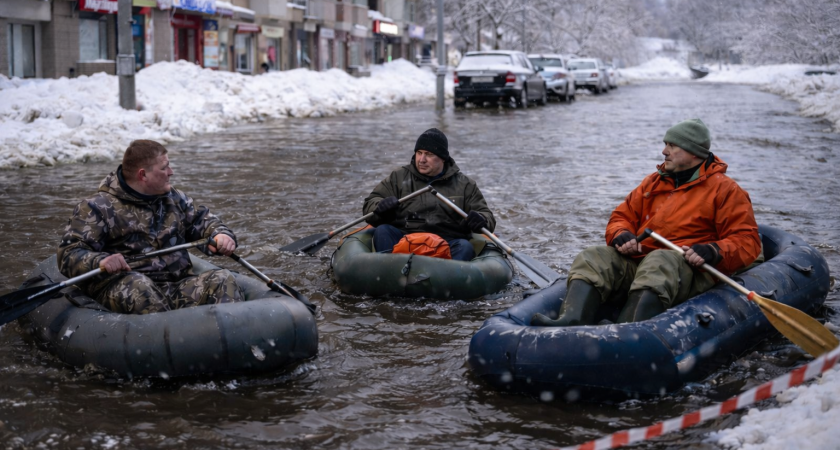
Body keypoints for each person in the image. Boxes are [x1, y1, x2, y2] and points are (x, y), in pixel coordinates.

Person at [532, 119, 762, 326]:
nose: (664, 151)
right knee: (594, 256)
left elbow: (748, 241)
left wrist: (713, 250)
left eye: (672, 146)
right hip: (644, 263)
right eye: (666, 144)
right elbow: (621, 217)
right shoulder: (653, 183)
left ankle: (628, 330)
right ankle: (571, 320)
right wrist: (621, 234)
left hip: (690, 270)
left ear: (693, 153)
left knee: (660, 261)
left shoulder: (726, 190)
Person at [57, 140, 243, 314]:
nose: (171, 172)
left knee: (222, 280)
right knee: (139, 287)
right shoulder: (97, 207)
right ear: (143, 174)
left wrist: (220, 235)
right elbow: (69, 254)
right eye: (164, 168)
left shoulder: (174, 199)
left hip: (175, 286)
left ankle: (230, 335)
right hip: (125, 287)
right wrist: (100, 261)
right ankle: (168, 335)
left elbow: (202, 221)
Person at [363, 128, 495, 262]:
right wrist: (380, 206)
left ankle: (447, 274)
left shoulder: (465, 184)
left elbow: (486, 214)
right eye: (419, 153)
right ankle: (388, 269)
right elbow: (370, 203)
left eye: (429, 154)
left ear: (443, 158)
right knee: (383, 231)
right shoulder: (398, 177)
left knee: (465, 247)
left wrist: (481, 219)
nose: (422, 160)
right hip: (405, 236)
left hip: (448, 241)